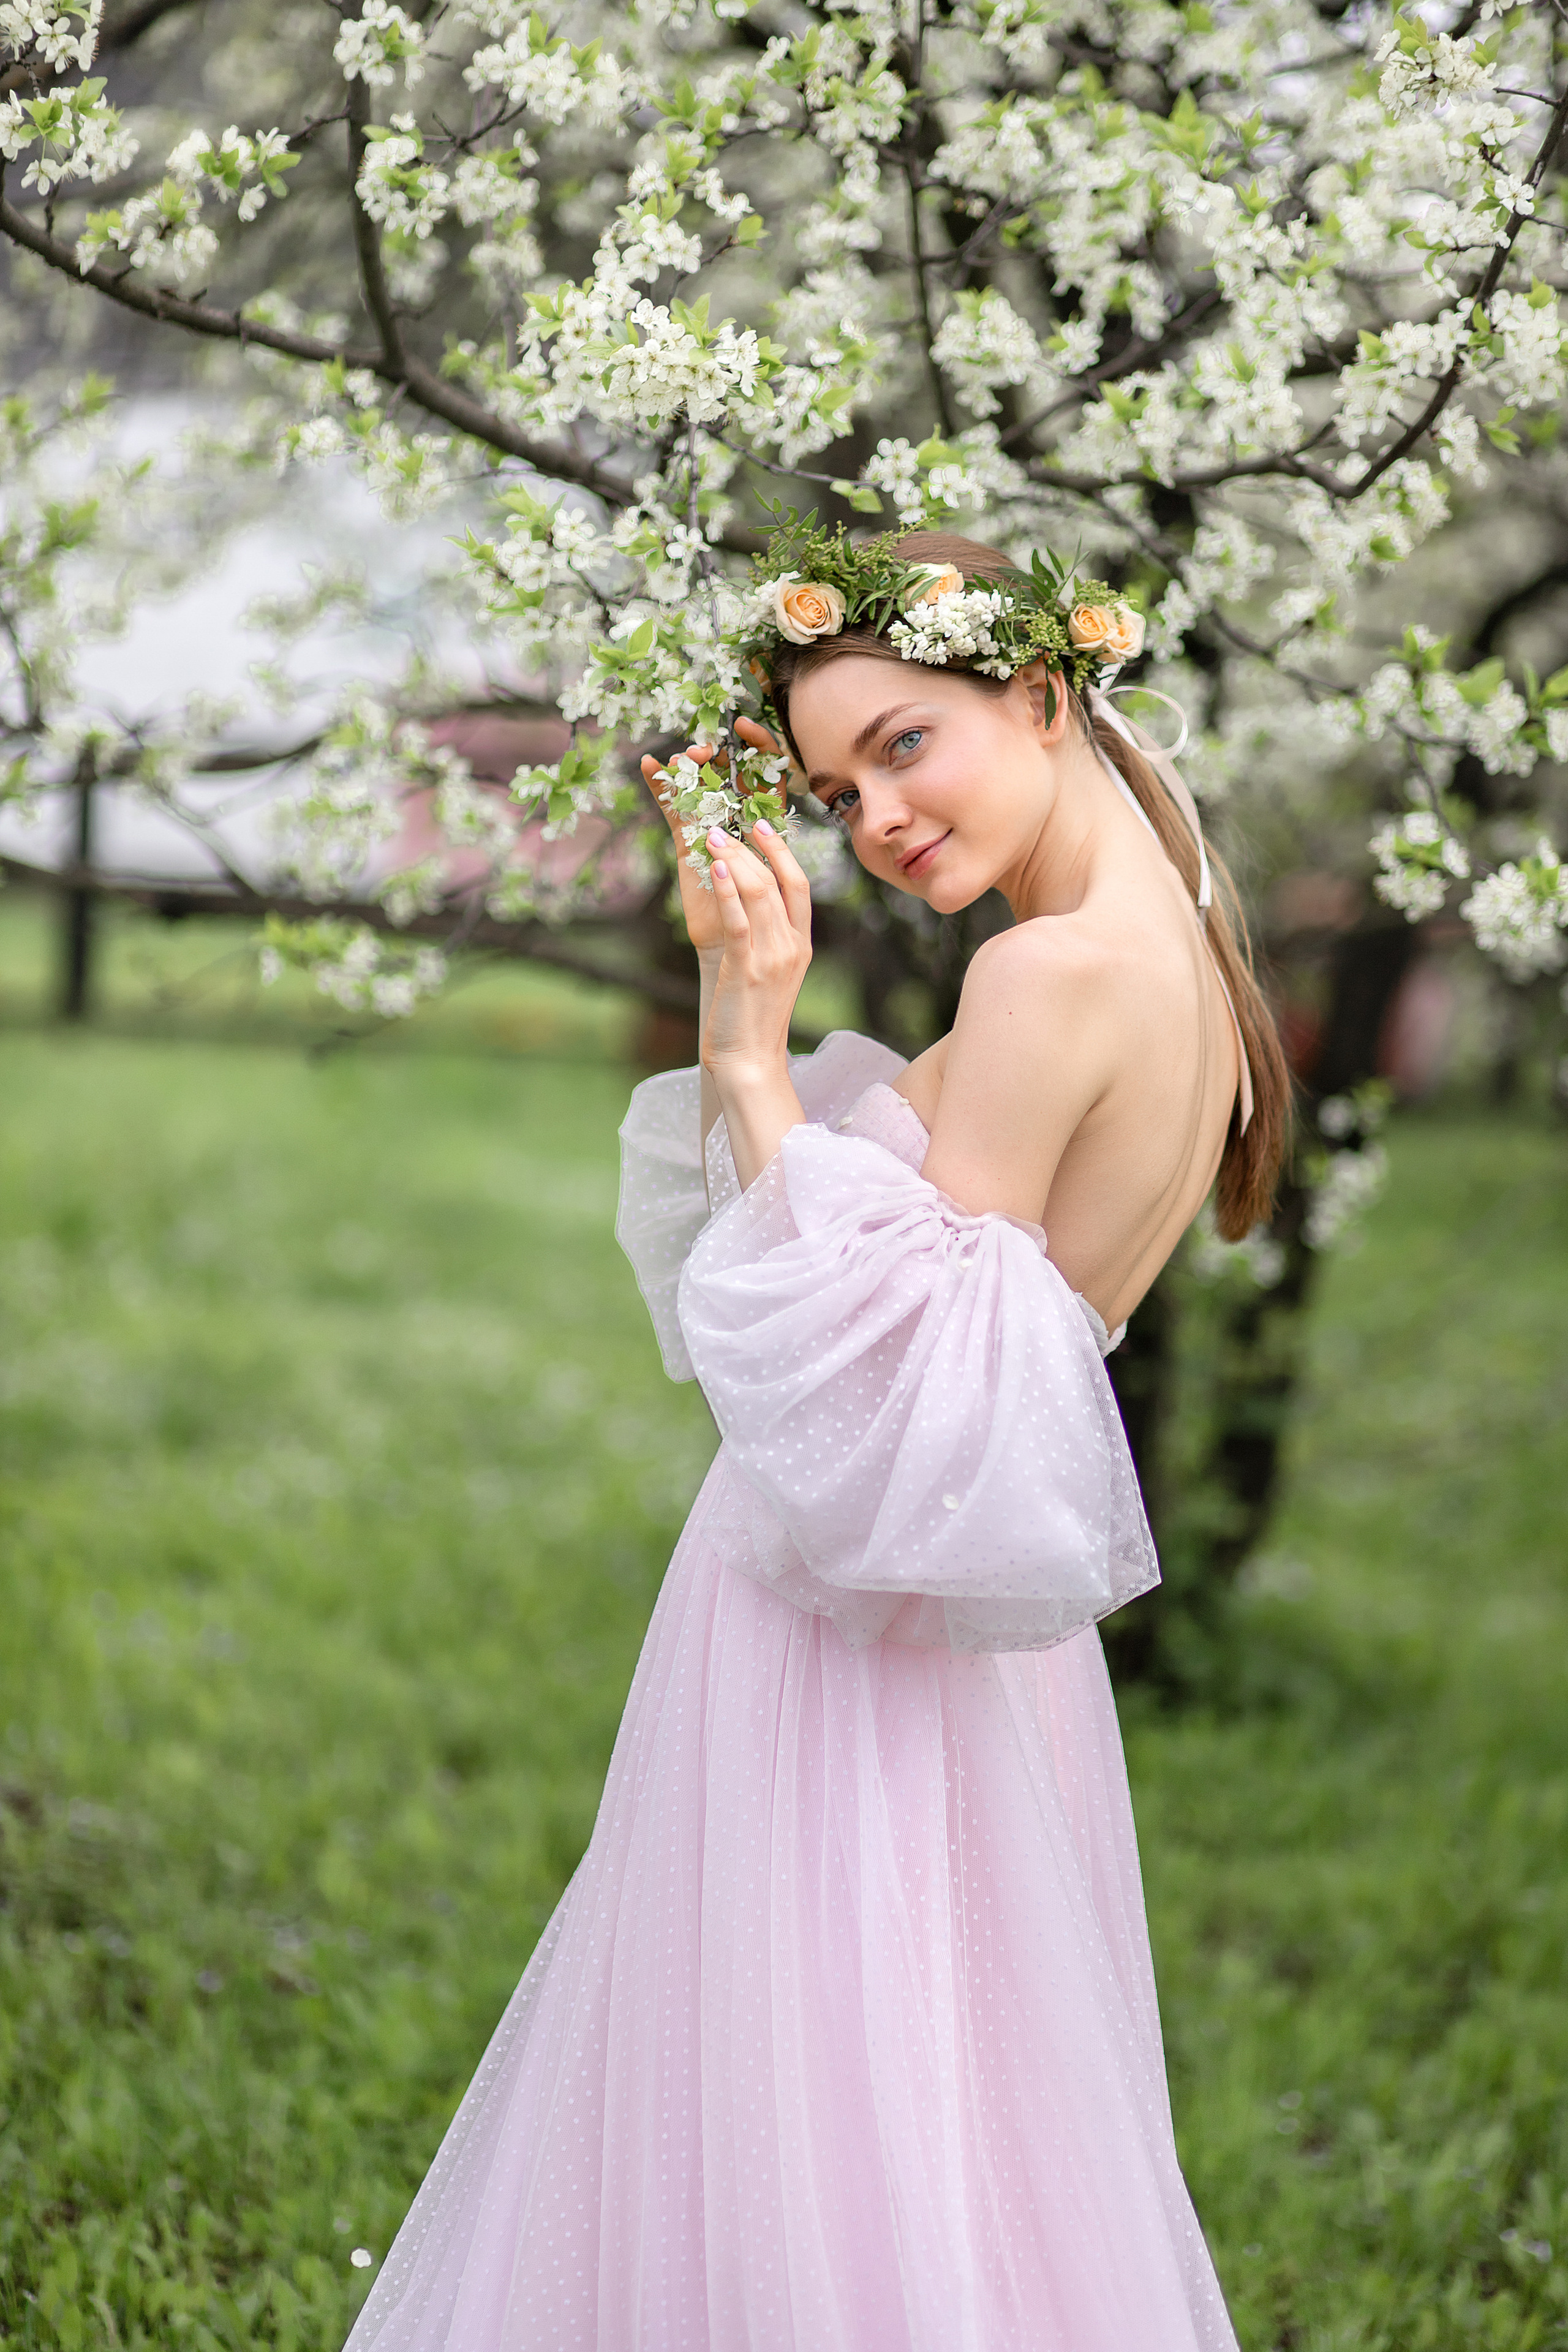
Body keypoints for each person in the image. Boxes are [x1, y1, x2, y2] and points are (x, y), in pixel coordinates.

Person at [344, 530, 1290, 2352]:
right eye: (840, 788)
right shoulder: (1165, 952)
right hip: (957, 1653)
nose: (875, 818)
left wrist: (756, 1040)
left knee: (807, 2094)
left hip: (847, 1636)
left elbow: (897, 1392)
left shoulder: (1049, 980)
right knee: (930, 2108)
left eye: (904, 747)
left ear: (1038, 692)